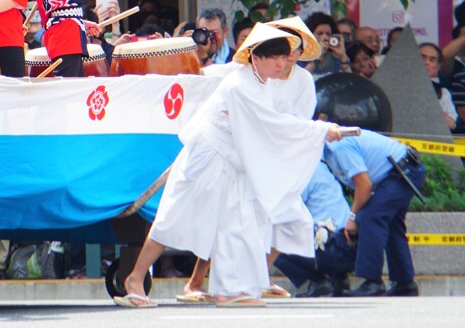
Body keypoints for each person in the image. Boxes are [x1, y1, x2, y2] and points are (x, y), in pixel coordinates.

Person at [117, 24, 343, 308]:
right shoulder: (242, 84)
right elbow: (270, 123)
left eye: (284, 58)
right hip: (207, 157)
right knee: (173, 219)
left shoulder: (261, 81)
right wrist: (319, 130)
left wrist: (316, 129)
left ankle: (232, 287)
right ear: (256, 58)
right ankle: (135, 279)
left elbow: (272, 122)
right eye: (275, 58)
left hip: (234, 160)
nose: (281, 64)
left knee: (235, 223)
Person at [322, 129, 426, 297]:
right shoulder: (328, 150)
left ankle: (373, 282)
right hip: (401, 171)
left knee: (370, 217)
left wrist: (353, 217)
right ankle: (404, 282)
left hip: (403, 172)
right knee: (391, 225)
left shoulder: (339, 147)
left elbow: (364, 185)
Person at [273, 161, 357, 297]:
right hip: (350, 249)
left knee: (274, 239)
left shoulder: (301, 172)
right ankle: (338, 279)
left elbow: (288, 212)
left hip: (329, 250)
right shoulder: (324, 169)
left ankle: (318, 282)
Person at [420, 43, 459, 130]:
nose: (426, 63)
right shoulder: (396, 88)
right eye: (422, 58)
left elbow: (451, 124)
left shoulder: (442, 92)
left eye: (432, 60)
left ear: (437, 67)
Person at [301, 12, 348, 77]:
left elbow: (350, 81)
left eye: (328, 34)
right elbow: (301, 80)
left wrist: (343, 56)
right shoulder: (300, 57)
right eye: (319, 33)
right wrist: (316, 57)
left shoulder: (335, 58)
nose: (325, 38)